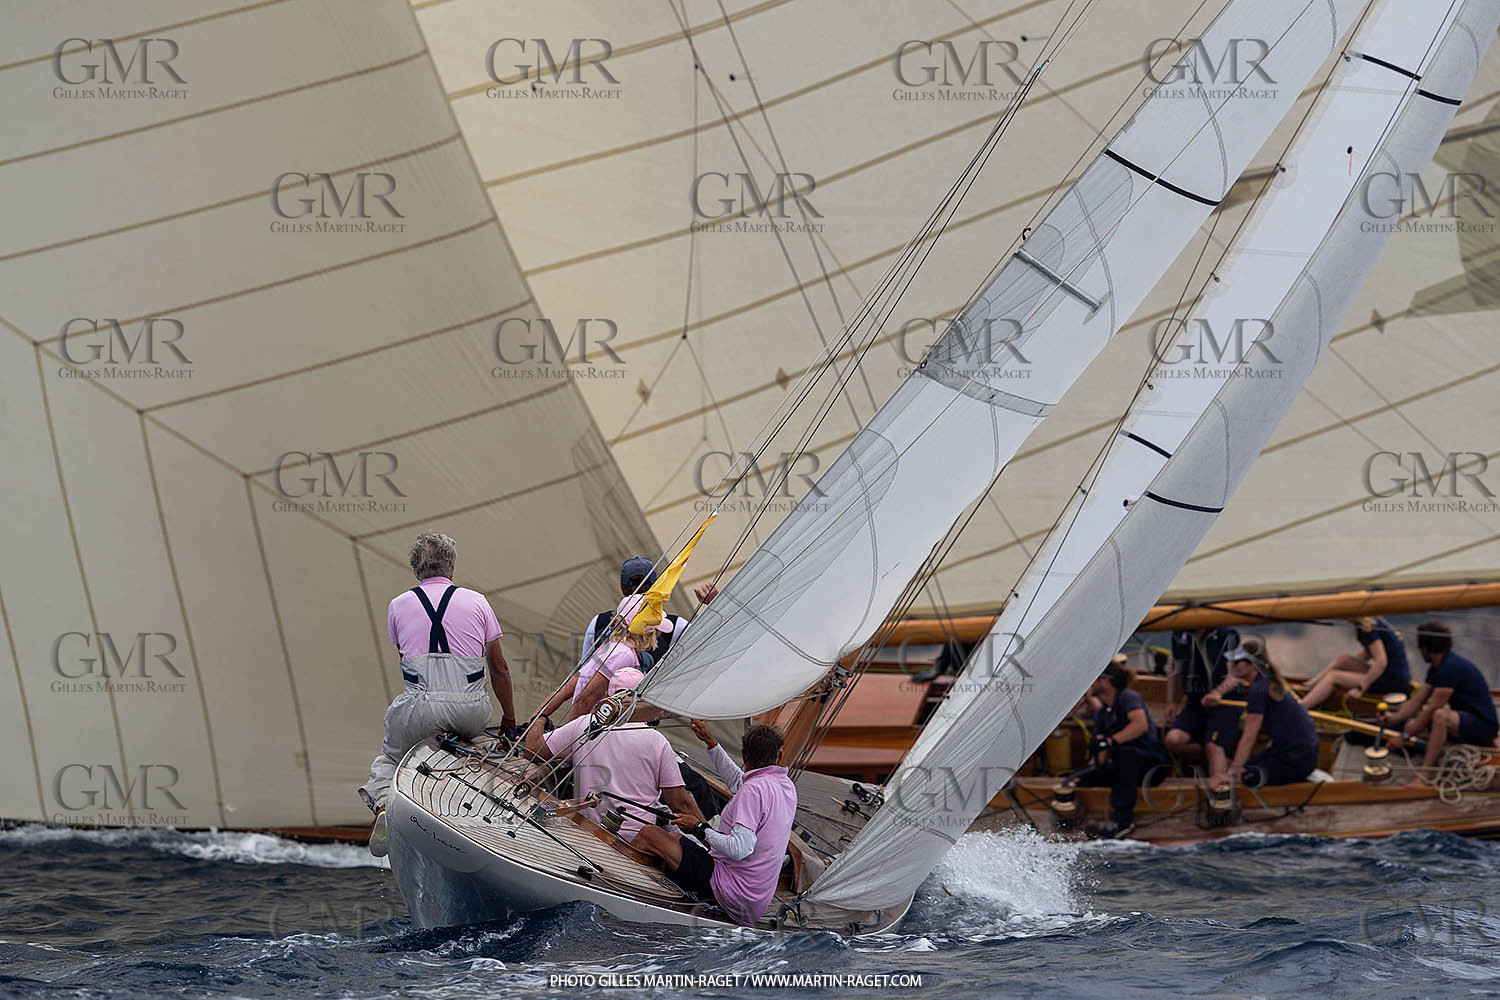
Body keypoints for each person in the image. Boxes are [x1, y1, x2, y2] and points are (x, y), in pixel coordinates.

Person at [360, 532, 516, 856]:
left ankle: (384, 806)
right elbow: (499, 668)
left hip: (419, 707)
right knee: (481, 747)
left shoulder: (398, 605)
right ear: (452, 565)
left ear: (415, 568)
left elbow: (404, 656)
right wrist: (510, 720)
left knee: (390, 758)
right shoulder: (478, 602)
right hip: (471, 711)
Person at [632, 723, 797, 927]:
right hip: (755, 900)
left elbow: (740, 848)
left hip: (731, 894)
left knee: (649, 834)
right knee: (674, 839)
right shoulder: (785, 786)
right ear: (780, 756)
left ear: (744, 755)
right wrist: (712, 744)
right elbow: (740, 782)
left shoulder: (753, 790)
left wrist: (699, 829)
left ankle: (627, 889)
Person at [522, 667, 703, 843]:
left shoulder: (585, 724)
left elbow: (532, 750)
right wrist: (710, 837)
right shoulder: (657, 741)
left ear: (608, 697)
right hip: (633, 841)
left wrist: (541, 717)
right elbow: (680, 804)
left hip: (586, 827)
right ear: (643, 699)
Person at [1382, 621, 1499, 783]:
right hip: (1465, 721)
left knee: (1439, 716)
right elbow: (1417, 700)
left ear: (1425, 648)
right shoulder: (1438, 667)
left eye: (1419, 645)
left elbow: (1432, 709)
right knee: (1413, 724)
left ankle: (1425, 774)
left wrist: (1405, 737)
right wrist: (1394, 719)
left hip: (1484, 727)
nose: (1418, 649)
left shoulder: (1450, 668)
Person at [1204, 637, 1318, 787]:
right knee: (1242, 768)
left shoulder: (1259, 691)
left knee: (1240, 778)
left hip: (1296, 760)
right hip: (1293, 752)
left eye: (1237, 662)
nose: (1231, 665)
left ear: (1252, 665)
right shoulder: (1266, 682)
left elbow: (1249, 738)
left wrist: (1234, 775)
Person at [1079, 656, 1165, 838]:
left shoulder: (1128, 697)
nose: (1091, 684)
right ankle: (1082, 821)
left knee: (1125, 754)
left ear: (1106, 681)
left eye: (1094, 679)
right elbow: (1100, 755)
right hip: (1126, 769)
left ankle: (1124, 821)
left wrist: (1110, 741)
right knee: (1091, 775)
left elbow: (1140, 726)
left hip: (1151, 767)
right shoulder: (1102, 713)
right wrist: (1086, 772)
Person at [1163, 626, 1240, 786]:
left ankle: (1219, 801)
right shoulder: (1180, 634)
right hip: (1195, 703)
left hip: (1224, 703)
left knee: (1214, 746)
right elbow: (1173, 668)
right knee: (1173, 740)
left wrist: (1218, 693)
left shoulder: (1227, 636)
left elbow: (1235, 675)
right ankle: (1221, 760)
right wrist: (1170, 701)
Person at [1300, 616, 1412, 710]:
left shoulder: (1367, 628)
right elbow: (1367, 654)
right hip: (1393, 676)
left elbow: (1381, 662)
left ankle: (1301, 709)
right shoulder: (1373, 621)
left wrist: (1360, 688)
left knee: (1333, 677)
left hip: (1392, 682)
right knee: (1344, 659)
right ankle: (1314, 683)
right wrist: (1347, 668)